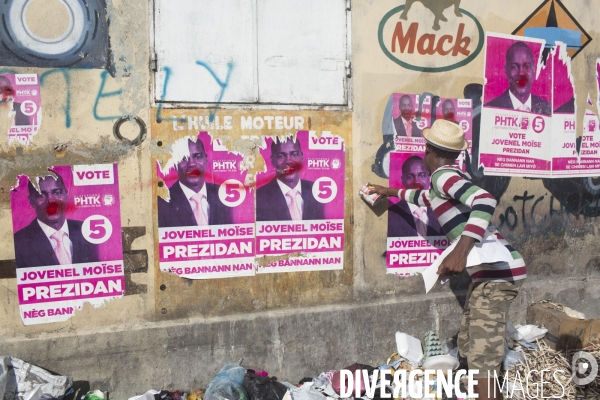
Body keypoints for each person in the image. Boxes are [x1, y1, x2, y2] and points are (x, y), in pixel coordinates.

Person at [370, 119, 526, 400]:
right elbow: (422, 197)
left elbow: (485, 200)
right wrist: (388, 191)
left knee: (482, 365)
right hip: (488, 276)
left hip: (499, 277)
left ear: (428, 150)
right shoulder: (443, 181)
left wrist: (461, 249)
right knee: (467, 345)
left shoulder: (443, 176)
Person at [14, 174, 100, 268]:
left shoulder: (88, 230)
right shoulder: (18, 242)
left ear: (66, 195)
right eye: (41, 195)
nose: (51, 200)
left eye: (57, 192)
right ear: (31, 201)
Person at [158, 138, 232, 227]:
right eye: (183, 158)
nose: (191, 163)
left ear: (206, 160)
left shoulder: (226, 194)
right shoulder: (161, 203)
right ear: (174, 164)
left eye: (197, 157)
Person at [256, 137, 325, 221]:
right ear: (272, 160)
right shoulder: (259, 198)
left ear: (301, 157)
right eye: (280, 156)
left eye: (294, 154)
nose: (289, 161)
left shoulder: (318, 191)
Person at [484, 41, 551, 116]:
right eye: (514, 67)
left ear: (534, 69)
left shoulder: (547, 109)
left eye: (527, 66)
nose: (521, 73)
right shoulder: (490, 109)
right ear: (506, 70)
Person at [388, 156, 444, 238]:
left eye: (421, 175)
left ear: (429, 178)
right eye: (410, 177)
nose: (416, 181)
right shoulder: (392, 214)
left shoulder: (441, 210)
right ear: (402, 180)